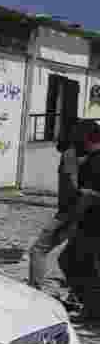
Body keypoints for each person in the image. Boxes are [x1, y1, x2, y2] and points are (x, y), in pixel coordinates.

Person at [29, 120, 95, 292]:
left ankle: (35, 289)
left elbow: (73, 186)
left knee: (39, 249)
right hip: (81, 211)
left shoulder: (70, 154)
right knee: (74, 257)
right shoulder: (84, 154)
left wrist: (79, 198)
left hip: (69, 212)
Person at [61, 121, 100, 322]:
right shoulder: (91, 160)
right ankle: (91, 309)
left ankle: (92, 310)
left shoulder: (94, 163)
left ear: (86, 138)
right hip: (90, 224)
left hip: (91, 225)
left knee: (73, 262)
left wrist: (75, 220)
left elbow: (88, 196)